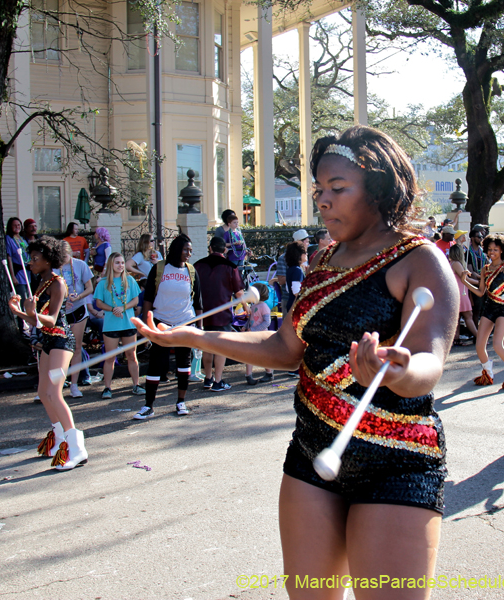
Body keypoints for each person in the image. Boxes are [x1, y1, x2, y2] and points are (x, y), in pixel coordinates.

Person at [132, 125, 458, 598]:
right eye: (319, 190)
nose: (323, 201)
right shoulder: (325, 261)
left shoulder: (419, 260)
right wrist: (195, 336)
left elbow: (429, 365)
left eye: (338, 189)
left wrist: (399, 370)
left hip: (398, 461)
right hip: (311, 452)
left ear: (379, 187)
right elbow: (285, 347)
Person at [7, 236, 86, 470]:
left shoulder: (58, 283)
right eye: (29, 258)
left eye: (34, 259)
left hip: (61, 341)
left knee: (54, 393)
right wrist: (19, 311)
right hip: (47, 342)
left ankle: (77, 448)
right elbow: (35, 320)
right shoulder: (41, 282)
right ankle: (58, 438)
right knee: (43, 392)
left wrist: (28, 312)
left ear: (48, 260)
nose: (30, 263)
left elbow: (50, 319)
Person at [134, 234, 202, 419]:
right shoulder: (159, 269)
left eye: (190, 250)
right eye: (186, 250)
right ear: (176, 249)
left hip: (185, 323)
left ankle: (181, 402)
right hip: (161, 322)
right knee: (157, 363)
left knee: (183, 363)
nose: (189, 253)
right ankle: (148, 405)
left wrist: (199, 328)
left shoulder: (191, 271)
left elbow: (198, 303)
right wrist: (146, 326)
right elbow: (148, 298)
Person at [462, 233, 504, 389]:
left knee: (498, 344)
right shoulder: (485, 269)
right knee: (479, 345)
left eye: (495, 249)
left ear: (502, 250)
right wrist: (464, 281)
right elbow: (480, 292)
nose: (492, 252)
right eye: (489, 249)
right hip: (489, 307)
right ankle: (488, 372)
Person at [194, 236, 245, 392]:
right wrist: (246, 306)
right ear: (225, 250)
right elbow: (238, 291)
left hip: (202, 312)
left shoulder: (197, 265)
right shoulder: (230, 266)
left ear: (210, 248)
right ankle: (218, 380)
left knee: (207, 346)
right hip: (222, 312)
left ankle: (207, 378)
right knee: (221, 347)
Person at [93, 253, 143, 398]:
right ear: (111, 265)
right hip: (110, 325)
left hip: (128, 322)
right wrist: (112, 309)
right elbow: (98, 303)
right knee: (110, 357)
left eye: (122, 263)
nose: (120, 265)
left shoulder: (130, 280)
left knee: (131, 355)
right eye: (117, 263)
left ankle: (136, 384)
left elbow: (135, 299)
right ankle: (107, 388)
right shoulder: (103, 283)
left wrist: (123, 307)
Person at [55, 244, 95, 397]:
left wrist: (78, 297)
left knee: (76, 348)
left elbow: (89, 288)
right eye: (61, 255)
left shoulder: (80, 265)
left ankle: (74, 385)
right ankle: (58, 384)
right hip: (61, 311)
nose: (64, 258)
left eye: (66, 255)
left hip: (78, 309)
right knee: (60, 349)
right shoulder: (54, 267)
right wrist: (63, 300)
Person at [243, 282, 274, 386]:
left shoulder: (264, 307)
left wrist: (254, 329)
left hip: (261, 336)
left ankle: (269, 373)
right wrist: (245, 327)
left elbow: (267, 322)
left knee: (264, 355)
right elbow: (251, 319)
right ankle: (248, 375)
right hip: (252, 335)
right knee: (249, 355)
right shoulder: (253, 306)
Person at [448, 244, 479, 345]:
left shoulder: (451, 263)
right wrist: (480, 283)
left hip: (457, 291)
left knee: (457, 317)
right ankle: (479, 337)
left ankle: (456, 339)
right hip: (462, 292)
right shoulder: (456, 263)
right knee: (468, 316)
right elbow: (465, 279)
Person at [283, 240, 306, 311]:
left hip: (291, 305)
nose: (307, 254)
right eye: (305, 252)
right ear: (299, 255)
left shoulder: (291, 269)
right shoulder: (297, 270)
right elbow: (296, 291)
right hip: (296, 307)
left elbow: (288, 288)